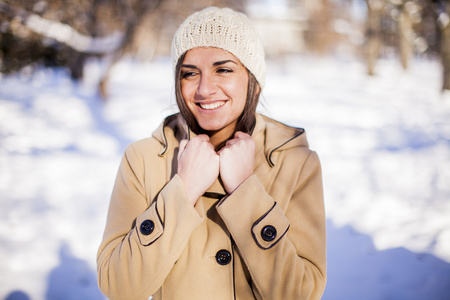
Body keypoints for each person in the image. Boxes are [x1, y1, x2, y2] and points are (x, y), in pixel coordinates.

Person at [97, 7, 326, 300]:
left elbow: (301, 294)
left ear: (252, 79)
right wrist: (183, 190)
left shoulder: (296, 164)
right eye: (190, 74)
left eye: (224, 70)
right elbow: (118, 287)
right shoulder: (143, 159)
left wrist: (246, 192)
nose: (204, 89)